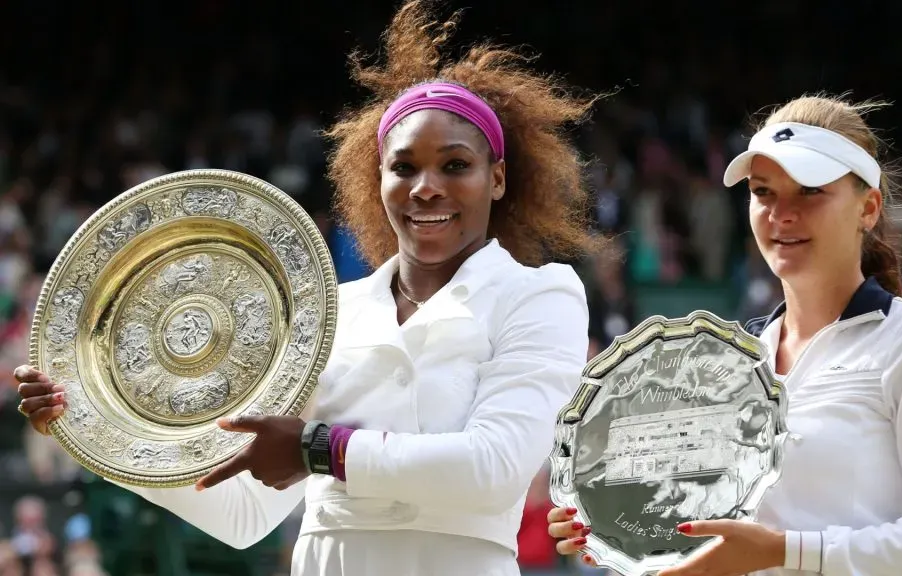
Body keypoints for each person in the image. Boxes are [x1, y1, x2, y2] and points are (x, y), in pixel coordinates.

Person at [13, 1, 606, 574]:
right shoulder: (333, 313)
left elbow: (494, 468)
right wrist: (100, 434)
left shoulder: (541, 293)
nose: (425, 187)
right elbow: (244, 513)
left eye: (455, 165)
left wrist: (318, 448)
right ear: (376, 181)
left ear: (497, 179)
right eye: (403, 167)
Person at [546, 94, 902, 576]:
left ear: (868, 208)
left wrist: (783, 551)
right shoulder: (731, 365)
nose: (782, 213)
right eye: (763, 192)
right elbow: (694, 528)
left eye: (810, 191)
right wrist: (608, 522)